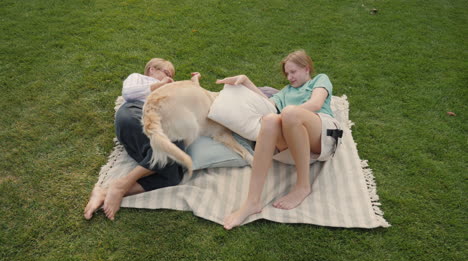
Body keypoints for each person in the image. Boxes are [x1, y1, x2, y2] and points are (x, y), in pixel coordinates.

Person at [218, 50, 342, 230]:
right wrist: (245, 81)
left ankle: (302, 186)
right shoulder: (285, 92)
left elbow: (315, 104)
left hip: (323, 133)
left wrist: (287, 113)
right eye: (287, 74)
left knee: (290, 113)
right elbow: (266, 103)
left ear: (306, 69)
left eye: (293, 72)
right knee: (269, 119)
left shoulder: (319, 80)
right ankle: (252, 201)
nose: (289, 77)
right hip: (293, 143)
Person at [84, 58, 201, 220]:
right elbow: (129, 94)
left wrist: (194, 83)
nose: (170, 77)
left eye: (172, 75)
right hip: (135, 112)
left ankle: (108, 190)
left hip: (157, 125)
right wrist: (159, 86)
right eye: (167, 72)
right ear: (152, 69)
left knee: (173, 173)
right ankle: (121, 186)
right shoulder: (138, 78)